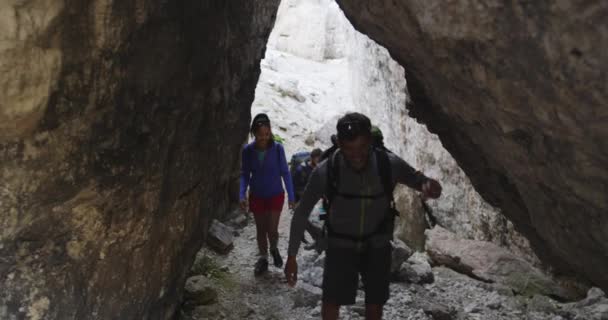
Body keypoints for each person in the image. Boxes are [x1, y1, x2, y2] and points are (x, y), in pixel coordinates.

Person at [284, 112, 442, 320]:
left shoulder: (388, 164)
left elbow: (424, 183)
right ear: (339, 143)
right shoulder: (327, 170)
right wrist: (292, 256)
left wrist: (432, 187)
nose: (356, 155)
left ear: (369, 141)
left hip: (377, 244)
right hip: (340, 245)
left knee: (375, 305)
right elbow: (302, 212)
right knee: (331, 301)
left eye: (361, 148)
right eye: (349, 149)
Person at [240, 113, 296, 276]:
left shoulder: (278, 148)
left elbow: (285, 173)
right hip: (257, 195)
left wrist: (292, 196)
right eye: (260, 135)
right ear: (254, 133)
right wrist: (241, 194)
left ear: (270, 131)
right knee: (260, 229)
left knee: (272, 228)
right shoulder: (248, 151)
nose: (264, 138)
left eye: (266, 134)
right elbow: (245, 174)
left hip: (275, 194)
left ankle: (274, 248)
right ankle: (263, 257)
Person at [292, 148, 324, 250]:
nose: (319, 161)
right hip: (304, 199)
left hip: (320, 200)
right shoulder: (301, 170)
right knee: (304, 219)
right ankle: (317, 239)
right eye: (317, 159)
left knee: (323, 219)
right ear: (312, 158)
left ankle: (322, 239)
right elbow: (294, 187)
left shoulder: (321, 169)